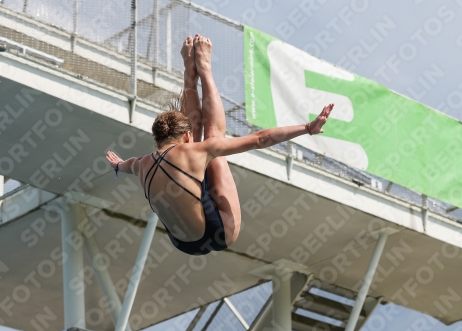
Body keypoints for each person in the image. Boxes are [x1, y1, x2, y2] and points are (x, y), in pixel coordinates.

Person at [106, 34, 333, 256]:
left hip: (184, 243)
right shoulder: (193, 150)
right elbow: (259, 139)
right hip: (219, 232)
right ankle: (200, 69)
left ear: (157, 139)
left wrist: (117, 165)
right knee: (213, 138)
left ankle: (193, 72)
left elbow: (126, 165)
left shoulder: (141, 164)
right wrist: (306, 128)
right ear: (186, 136)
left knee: (202, 153)